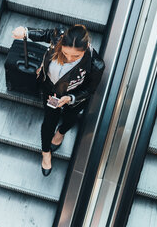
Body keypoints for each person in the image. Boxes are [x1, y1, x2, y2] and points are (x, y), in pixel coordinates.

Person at [12, 24, 105, 176]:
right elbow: (45, 33)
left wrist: (71, 98)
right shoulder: (59, 36)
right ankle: (46, 152)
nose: (69, 59)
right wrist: (26, 31)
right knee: (49, 121)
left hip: (73, 96)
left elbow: (90, 89)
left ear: (87, 47)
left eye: (76, 56)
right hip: (51, 90)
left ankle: (61, 133)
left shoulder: (96, 64)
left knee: (70, 118)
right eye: (66, 53)